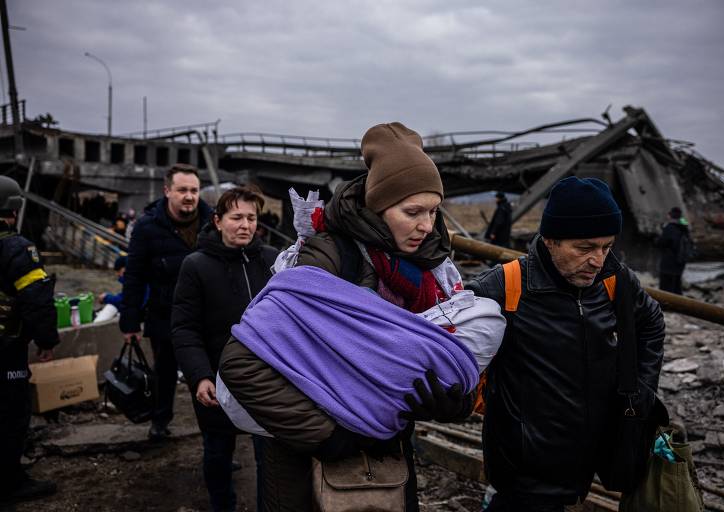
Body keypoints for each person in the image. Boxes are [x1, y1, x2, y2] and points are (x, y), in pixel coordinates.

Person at [218, 122, 475, 511]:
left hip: (385, 457)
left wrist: (450, 402)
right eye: (412, 211)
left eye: (434, 210)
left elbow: (424, 357)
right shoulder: (329, 257)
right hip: (303, 461)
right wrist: (331, 436)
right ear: (377, 207)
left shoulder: (432, 275)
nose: (427, 225)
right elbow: (240, 364)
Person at [467, 176, 665, 511]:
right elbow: (447, 339)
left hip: (592, 457)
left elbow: (651, 323)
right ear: (549, 240)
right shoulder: (506, 286)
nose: (597, 260)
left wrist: (640, 389)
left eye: (606, 247)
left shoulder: (614, 281)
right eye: (585, 248)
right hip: (524, 468)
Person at [172, 185, 277, 512]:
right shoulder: (196, 265)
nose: (245, 225)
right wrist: (200, 376)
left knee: (270, 459)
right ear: (217, 221)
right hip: (218, 381)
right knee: (218, 455)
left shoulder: (273, 261)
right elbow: (184, 327)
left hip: (268, 381)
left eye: (251, 217)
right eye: (236, 218)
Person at [120, 163, 212, 440]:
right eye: (182, 189)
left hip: (206, 316)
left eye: (194, 190)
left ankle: (216, 438)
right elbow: (134, 277)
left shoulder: (213, 222)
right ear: (167, 191)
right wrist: (130, 322)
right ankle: (160, 422)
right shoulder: (147, 227)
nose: (189, 196)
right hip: (164, 315)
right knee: (165, 373)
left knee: (208, 375)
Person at [0, 176, 60, 503]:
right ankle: (9, 483)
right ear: (12, 208)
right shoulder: (17, 247)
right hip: (6, 352)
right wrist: (47, 339)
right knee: (11, 413)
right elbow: (37, 298)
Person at [655, 206, 690, 295]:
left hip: (668, 263)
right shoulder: (684, 228)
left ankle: (665, 306)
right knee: (677, 286)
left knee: (665, 288)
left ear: (670, 216)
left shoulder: (669, 228)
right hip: (680, 262)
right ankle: (678, 305)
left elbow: (661, 243)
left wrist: (658, 234)